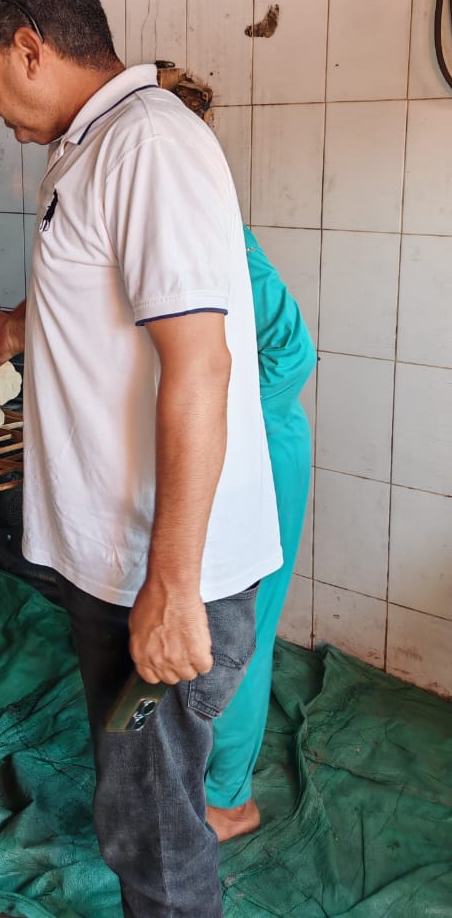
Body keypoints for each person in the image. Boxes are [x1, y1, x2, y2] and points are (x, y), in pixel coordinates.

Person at [0, 0, 282, 918]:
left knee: (151, 819)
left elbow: (201, 364)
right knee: (142, 794)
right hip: (126, 558)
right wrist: (17, 324)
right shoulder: (94, 142)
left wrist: (172, 582)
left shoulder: (148, 144)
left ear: (29, 45)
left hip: (165, 563)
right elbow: (113, 295)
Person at [205, 228, 315, 841]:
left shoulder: (220, 233)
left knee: (240, 628)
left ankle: (229, 801)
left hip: (259, 457)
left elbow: (292, 354)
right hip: (213, 455)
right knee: (207, 622)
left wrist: (219, 422)